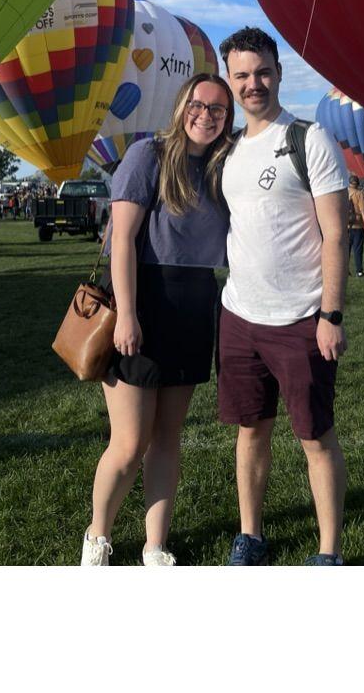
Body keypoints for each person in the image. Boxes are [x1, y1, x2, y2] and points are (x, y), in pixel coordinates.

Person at [82, 73, 233, 567]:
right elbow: (121, 239)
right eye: (199, 104)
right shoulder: (147, 155)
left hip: (194, 303)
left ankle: (154, 544)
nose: (206, 115)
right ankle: (98, 536)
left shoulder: (221, 166)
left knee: (169, 436)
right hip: (144, 299)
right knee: (129, 443)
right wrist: (126, 314)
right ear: (181, 105)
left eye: (218, 109)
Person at [215, 27, 350, 566]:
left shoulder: (309, 139)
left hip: (301, 318)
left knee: (315, 437)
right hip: (239, 315)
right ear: (230, 80)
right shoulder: (228, 150)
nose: (254, 84)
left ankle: (328, 552)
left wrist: (331, 313)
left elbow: (336, 233)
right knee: (251, 431)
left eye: (262, 72)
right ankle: (251, 535)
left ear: (280, 71)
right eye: (242, 75)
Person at [347, 175, 364, 277]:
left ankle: (344, 270)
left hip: (346, 225)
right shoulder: (359, 194)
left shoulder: (344, 193)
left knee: (346, 250)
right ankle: (359, 271)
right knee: (358, 249)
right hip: (358, 225)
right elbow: (363, 211)